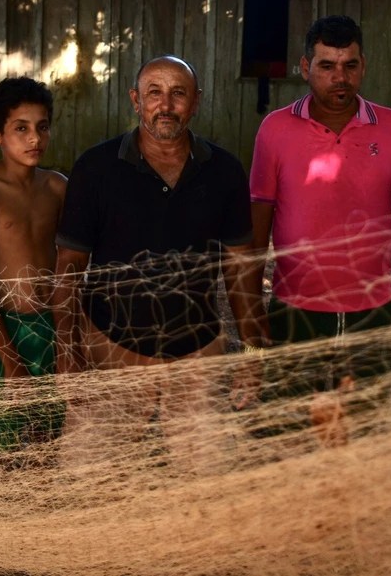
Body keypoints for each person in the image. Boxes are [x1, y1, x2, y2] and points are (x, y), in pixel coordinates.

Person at [51, 55, 266, 472]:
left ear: (196, 101)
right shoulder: (95, 168)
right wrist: (67, 349)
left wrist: (255, 355)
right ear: (136, 100)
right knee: (88, 483)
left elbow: (242, 271)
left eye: (178, 93)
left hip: (197, 356)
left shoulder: (223, 171)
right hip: (112, 353)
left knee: (210, 481)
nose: (165, 104)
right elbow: (69, 267)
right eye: (154, 92)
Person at [248, 14, 391, 445]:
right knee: (292, 426)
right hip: (295, 306)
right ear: (304, 68)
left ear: (363, 66)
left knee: (361, 426)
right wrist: (251, 300)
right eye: (327, 66)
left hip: (372, 305)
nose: (340, 77)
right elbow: (260, 214)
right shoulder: (275, 129)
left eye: (349, 65)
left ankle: (350, 508)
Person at [0, 76, 67, 450]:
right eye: (20, 129)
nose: (34, 139)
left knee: (48, 441)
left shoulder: (56, 187)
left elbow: (71, 268)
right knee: (2, 444)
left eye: (42, 128)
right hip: (3, 331)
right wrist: (8, 360)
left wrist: (71, 337)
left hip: (52, 328)